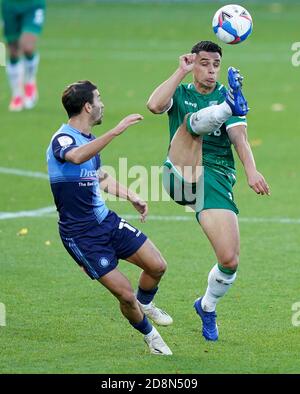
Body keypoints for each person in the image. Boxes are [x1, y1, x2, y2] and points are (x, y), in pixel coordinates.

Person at [147, 41, 270, 341]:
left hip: (215, 177)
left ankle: (207, 305)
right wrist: (180, 71)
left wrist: (251, 170)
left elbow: (240, 138)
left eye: (216, 64)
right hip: (179, 171)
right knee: (191, 125)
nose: (211, 70)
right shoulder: (182, 93)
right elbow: (153, 105)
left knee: (229, 260)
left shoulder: (224, 92)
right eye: (204, 63)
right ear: (193, 64)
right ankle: (225, 109)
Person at [47, 80, 173, 355]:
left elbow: (99, 176)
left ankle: (147, 304)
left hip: (107, 222)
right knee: (125, 295)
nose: (103, 104)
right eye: (99, 98)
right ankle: (151, 338)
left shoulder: (91, 141)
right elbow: (77, 157)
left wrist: (131, 196)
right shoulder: (64, 139)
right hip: (81, 235)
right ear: (88, 106)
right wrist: (116, 131)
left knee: (157, 265)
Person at [1, 0, 46, 111]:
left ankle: (30, 82)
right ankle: (17, 94)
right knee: (13, 51)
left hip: (33, 5)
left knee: (27, 47)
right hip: (9, 5)